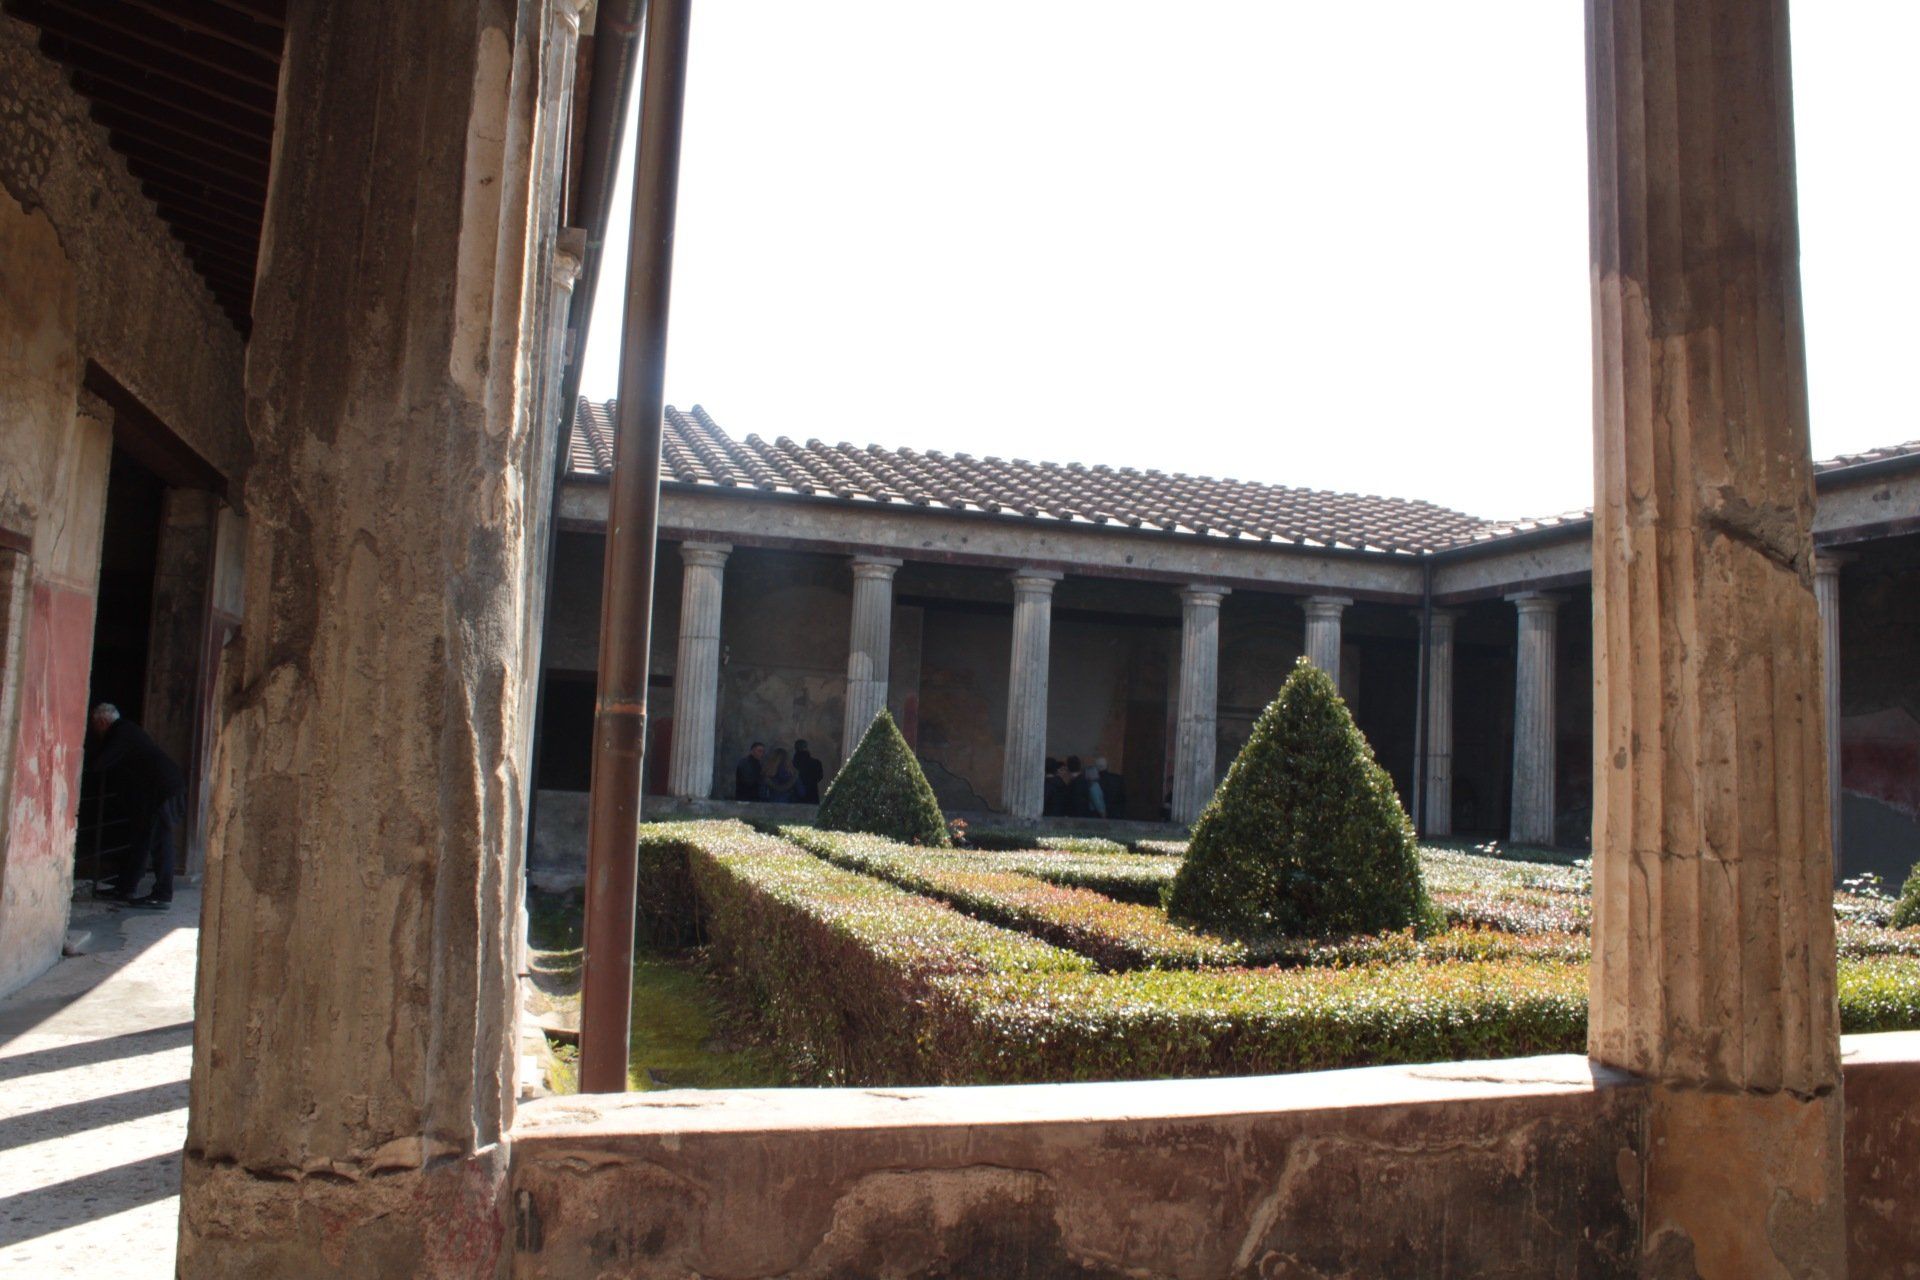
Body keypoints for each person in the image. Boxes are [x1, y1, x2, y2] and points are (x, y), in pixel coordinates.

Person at [85, 703, 185, 908]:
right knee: (142, 839)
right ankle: (125, 887)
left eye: (94, 725)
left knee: (160, 842)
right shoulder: (126, 730)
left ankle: (162, 895)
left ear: (101, 722)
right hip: (159, 789)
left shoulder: (120, 732)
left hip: (162, 790)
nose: (95, 731)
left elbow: (100, 762)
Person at [792, 739, 824, 804]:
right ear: (806, 747)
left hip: (795, 796)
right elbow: (819, 777)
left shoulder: (791, 763)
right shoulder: (816, 763)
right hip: (812, 794)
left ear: (795, 748)